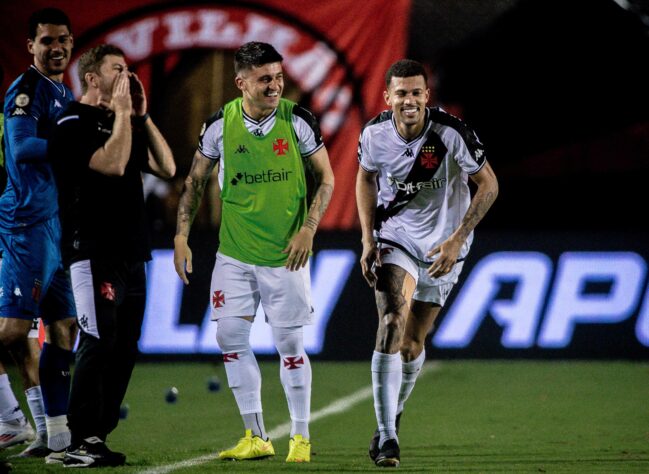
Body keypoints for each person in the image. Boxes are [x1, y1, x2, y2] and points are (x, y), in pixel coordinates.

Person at [174, 41, 334, 463]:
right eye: (265, 79)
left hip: (285, 255)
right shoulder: (219, 125)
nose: (275, 86)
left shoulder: (297, 121)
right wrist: (180, 236)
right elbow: (194, 182)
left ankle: (300, 437)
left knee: (289, 344)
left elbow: (327, 178)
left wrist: (308, 229)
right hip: (234, 253)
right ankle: (256, 435)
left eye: (279, 77)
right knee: (228, 336)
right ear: (241, 82)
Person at [356, 59, 498, 467]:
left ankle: (393, 413)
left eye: (416, 92)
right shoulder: (374, 135)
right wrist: (367, 238)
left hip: (443, 249)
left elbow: (489, 184)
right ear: (388, 97)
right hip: (396, 239)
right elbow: (365, 178)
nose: (409, 100)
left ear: (426, 96)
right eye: (401, 93)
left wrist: (457, 238)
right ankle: (387, 437)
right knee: (390, 324)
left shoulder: (451, 134)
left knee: (413, 343)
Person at [48, 43, 175, 468]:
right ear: (92, 78)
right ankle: (79, 439)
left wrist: (141, 114)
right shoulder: (70, 122)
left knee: (124, 347)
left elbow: (167, 167)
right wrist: (122, 116)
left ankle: (97, 435)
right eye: (118, 69)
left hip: (131, 255)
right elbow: (113, 165)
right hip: (92, 253)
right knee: (98, 342)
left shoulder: (118, 121)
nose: (127, 76)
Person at [0, 8, 78, 462]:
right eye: (47, 41)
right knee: (11, 331)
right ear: (31, 45)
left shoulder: (61, 90)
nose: (57, 48)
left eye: (64, 40)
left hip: (54, 227)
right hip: (26, 225)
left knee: (63, 327)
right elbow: (24, 147)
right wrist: (77, 145)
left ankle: (54, 433)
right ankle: (11, 418)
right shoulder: (26, 92)